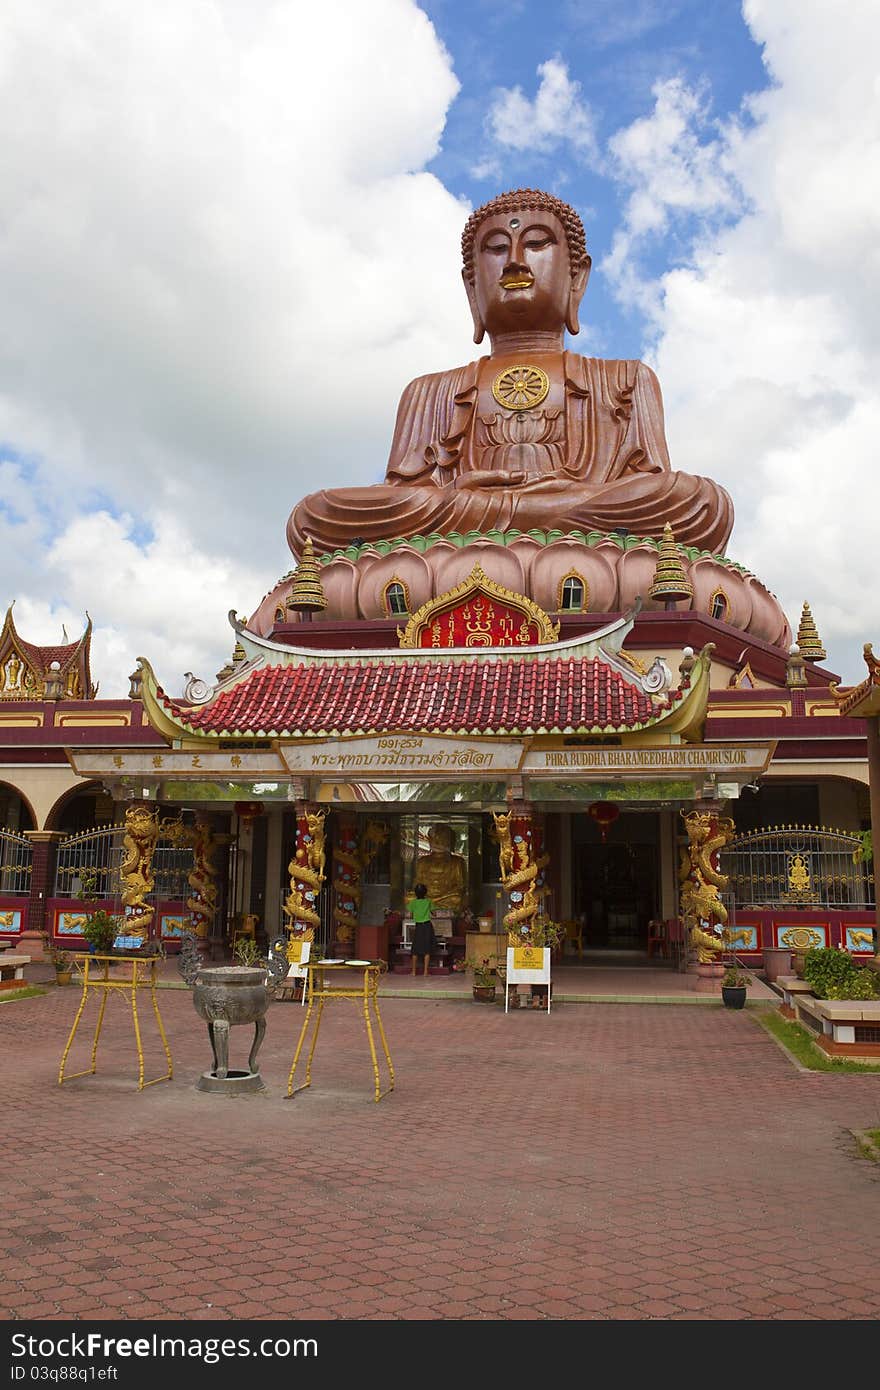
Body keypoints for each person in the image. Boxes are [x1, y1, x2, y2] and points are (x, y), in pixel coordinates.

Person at [288, 188, 733, 558]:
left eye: (537, 244)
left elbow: (652, 489)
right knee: (315, 514)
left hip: (564, 542)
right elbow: (405, 495)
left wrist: (543, 501)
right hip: (470, 537)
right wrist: (459, 497)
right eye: (497, 249)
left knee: (696, 500)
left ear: (577, 277)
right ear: (471, 284)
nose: (515, 262)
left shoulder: (625, 379)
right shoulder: (429, 392)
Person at [413, 823, 468, 913]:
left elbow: (461, 886)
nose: (438, 843)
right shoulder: (422, 861)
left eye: (443, 839)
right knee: (408, 898)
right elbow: (417, 883)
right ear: (430, 841)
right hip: (426, 897)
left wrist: (445, 894)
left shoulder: (457, 861)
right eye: (435, 839)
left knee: (457, 898)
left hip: (447, 897)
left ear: (450, 842)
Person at [407, 882, 435, 978]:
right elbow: (434, 914)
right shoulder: (428, 901)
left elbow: (410, 915)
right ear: (425, 892)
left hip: (418, 926)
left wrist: (416, 914)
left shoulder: (413, 902)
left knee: (415, 949)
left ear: (415, 893)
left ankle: (414, 972)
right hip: (427, 926)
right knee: (427, 949)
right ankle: (425, 972)